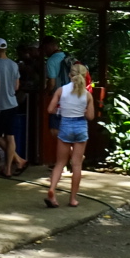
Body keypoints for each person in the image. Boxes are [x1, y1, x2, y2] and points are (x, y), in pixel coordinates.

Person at [44, 62, 95, 209]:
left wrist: (62, 111)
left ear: (69, 75)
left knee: (60, 163)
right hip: (80, 127)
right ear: (85, 76)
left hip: (65, 125)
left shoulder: (61, 90)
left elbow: (50, 109)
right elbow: (90, 116)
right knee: (77, 164)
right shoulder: (87, 95)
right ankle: (73, 199)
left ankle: (52, 189)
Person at [0, 38, 25, 176]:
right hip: (13, 103)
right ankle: (9, 168)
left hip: (0, 104)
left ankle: (18, 159)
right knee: (10, 137)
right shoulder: (14, 64)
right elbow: (17, 86)